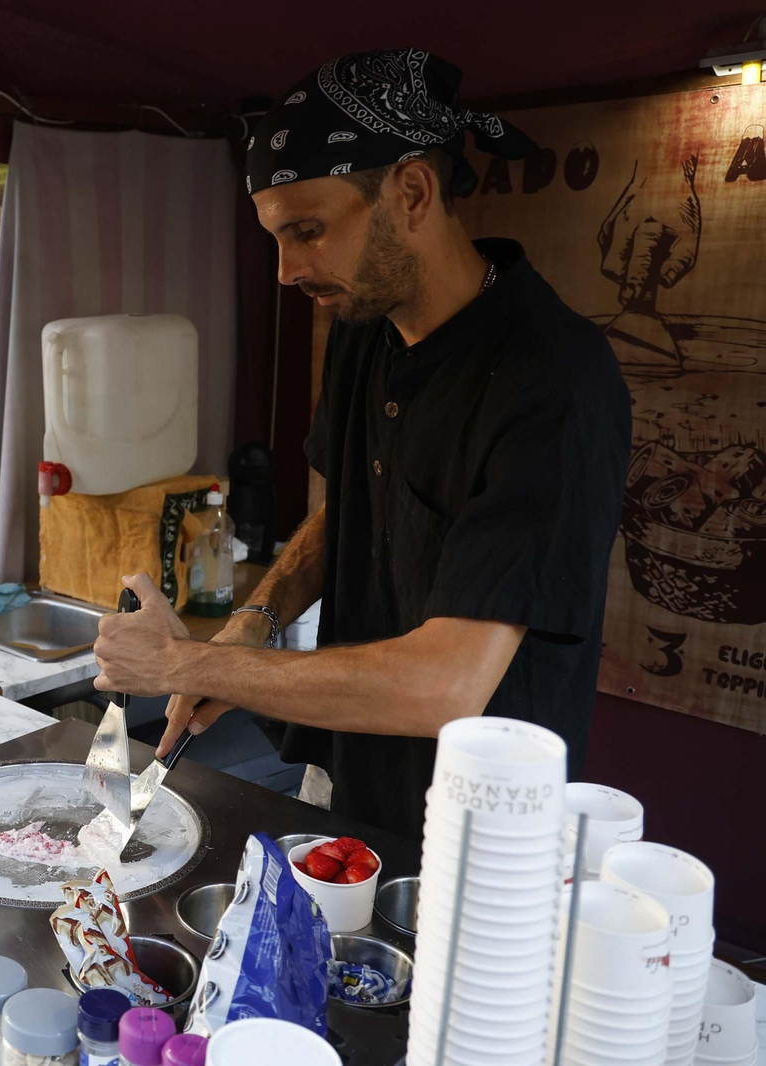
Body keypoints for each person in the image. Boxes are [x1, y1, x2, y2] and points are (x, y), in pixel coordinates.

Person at [92, 48, 632, 839]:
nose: (284, 271)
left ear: (411, 191)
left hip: (488, 827)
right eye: (277, 238)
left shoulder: (553, 381)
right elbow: (348, 506)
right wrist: (258, 618)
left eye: (307, 231)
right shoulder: (363, 328)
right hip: (351, 777)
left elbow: (446, 684)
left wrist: (186, 663)